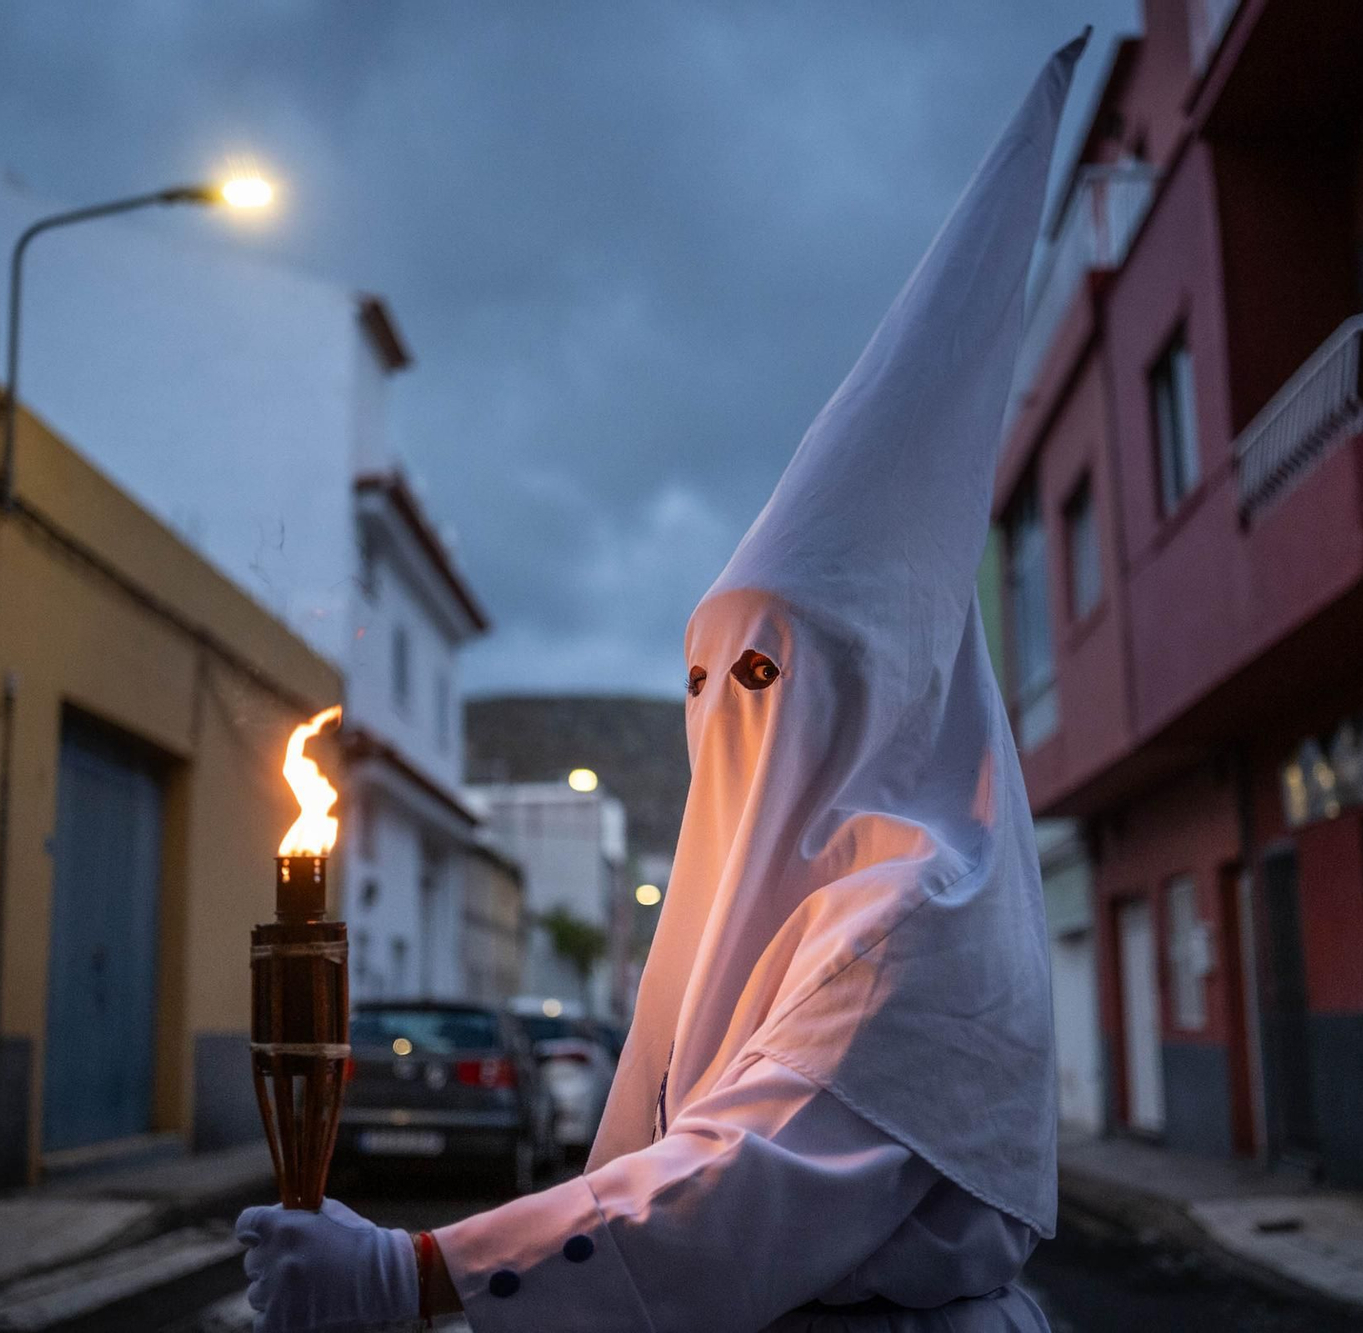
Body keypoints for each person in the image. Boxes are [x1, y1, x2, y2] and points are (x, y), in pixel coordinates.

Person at [237, 30, 1086, 1331]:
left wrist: (412, 1275)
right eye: (711, 675)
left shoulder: (909, 910)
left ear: (882, 682)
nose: (734, 714)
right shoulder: (812, 901)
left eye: (767, 667)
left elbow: (740, 1185)